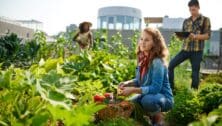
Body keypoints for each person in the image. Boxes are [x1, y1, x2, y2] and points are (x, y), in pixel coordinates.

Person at [118, 27, 174, 125]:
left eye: (147, 40)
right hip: (148, 95)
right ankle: (147, 118)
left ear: (155, 43)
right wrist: (127, 83)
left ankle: (160, 120)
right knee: (130, 104)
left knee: (147, 101)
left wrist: (132, 90)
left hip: (163, 98)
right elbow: (140, 80)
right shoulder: (143, 59)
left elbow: (155, 88)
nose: (143, 42)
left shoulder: (157, 62)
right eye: (141, 39)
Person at [168, 0, 211, 90]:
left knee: (195, 73)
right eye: (191, 10)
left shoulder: (205, 20)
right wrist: (179, 36)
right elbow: (184, 36)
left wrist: (195, 36)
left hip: (197, 51)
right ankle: (171, 89)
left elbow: (207, 36)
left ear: (198, 8)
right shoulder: (186, 21)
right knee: (170, 65)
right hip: (185, 49)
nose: (192, 11)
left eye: (194, 9)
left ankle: (193, 93)